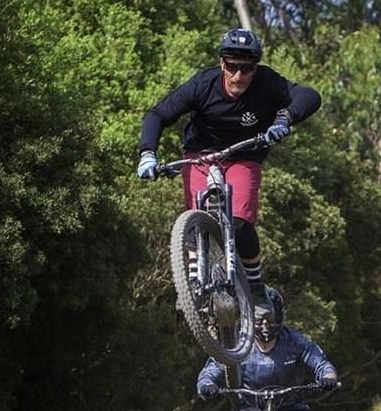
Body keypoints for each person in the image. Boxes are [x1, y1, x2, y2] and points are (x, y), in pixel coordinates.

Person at [137, 28, 322, 316]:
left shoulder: (267, 82)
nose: (238, 76)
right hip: (201, 153)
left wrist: (285, 118)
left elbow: (309, 96)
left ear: (255, 67)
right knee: (195, 217)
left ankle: (255, 285)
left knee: (239, 219)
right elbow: (158, 115)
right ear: (222, 63)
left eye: (246, 69)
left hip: (245, 154)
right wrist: (148, 153)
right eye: (232, 66)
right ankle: (194, 285)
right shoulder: (203, 84)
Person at [196, 287, 338, 411]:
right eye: (260, 320)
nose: (264, 326)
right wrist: (207, 384)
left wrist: (328, 377)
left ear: (280, 318)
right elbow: (212, 368)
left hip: (291, 407)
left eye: (270, 320)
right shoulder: (237, 342)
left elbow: (321, 363)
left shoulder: (294, 340)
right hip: (251, 405)